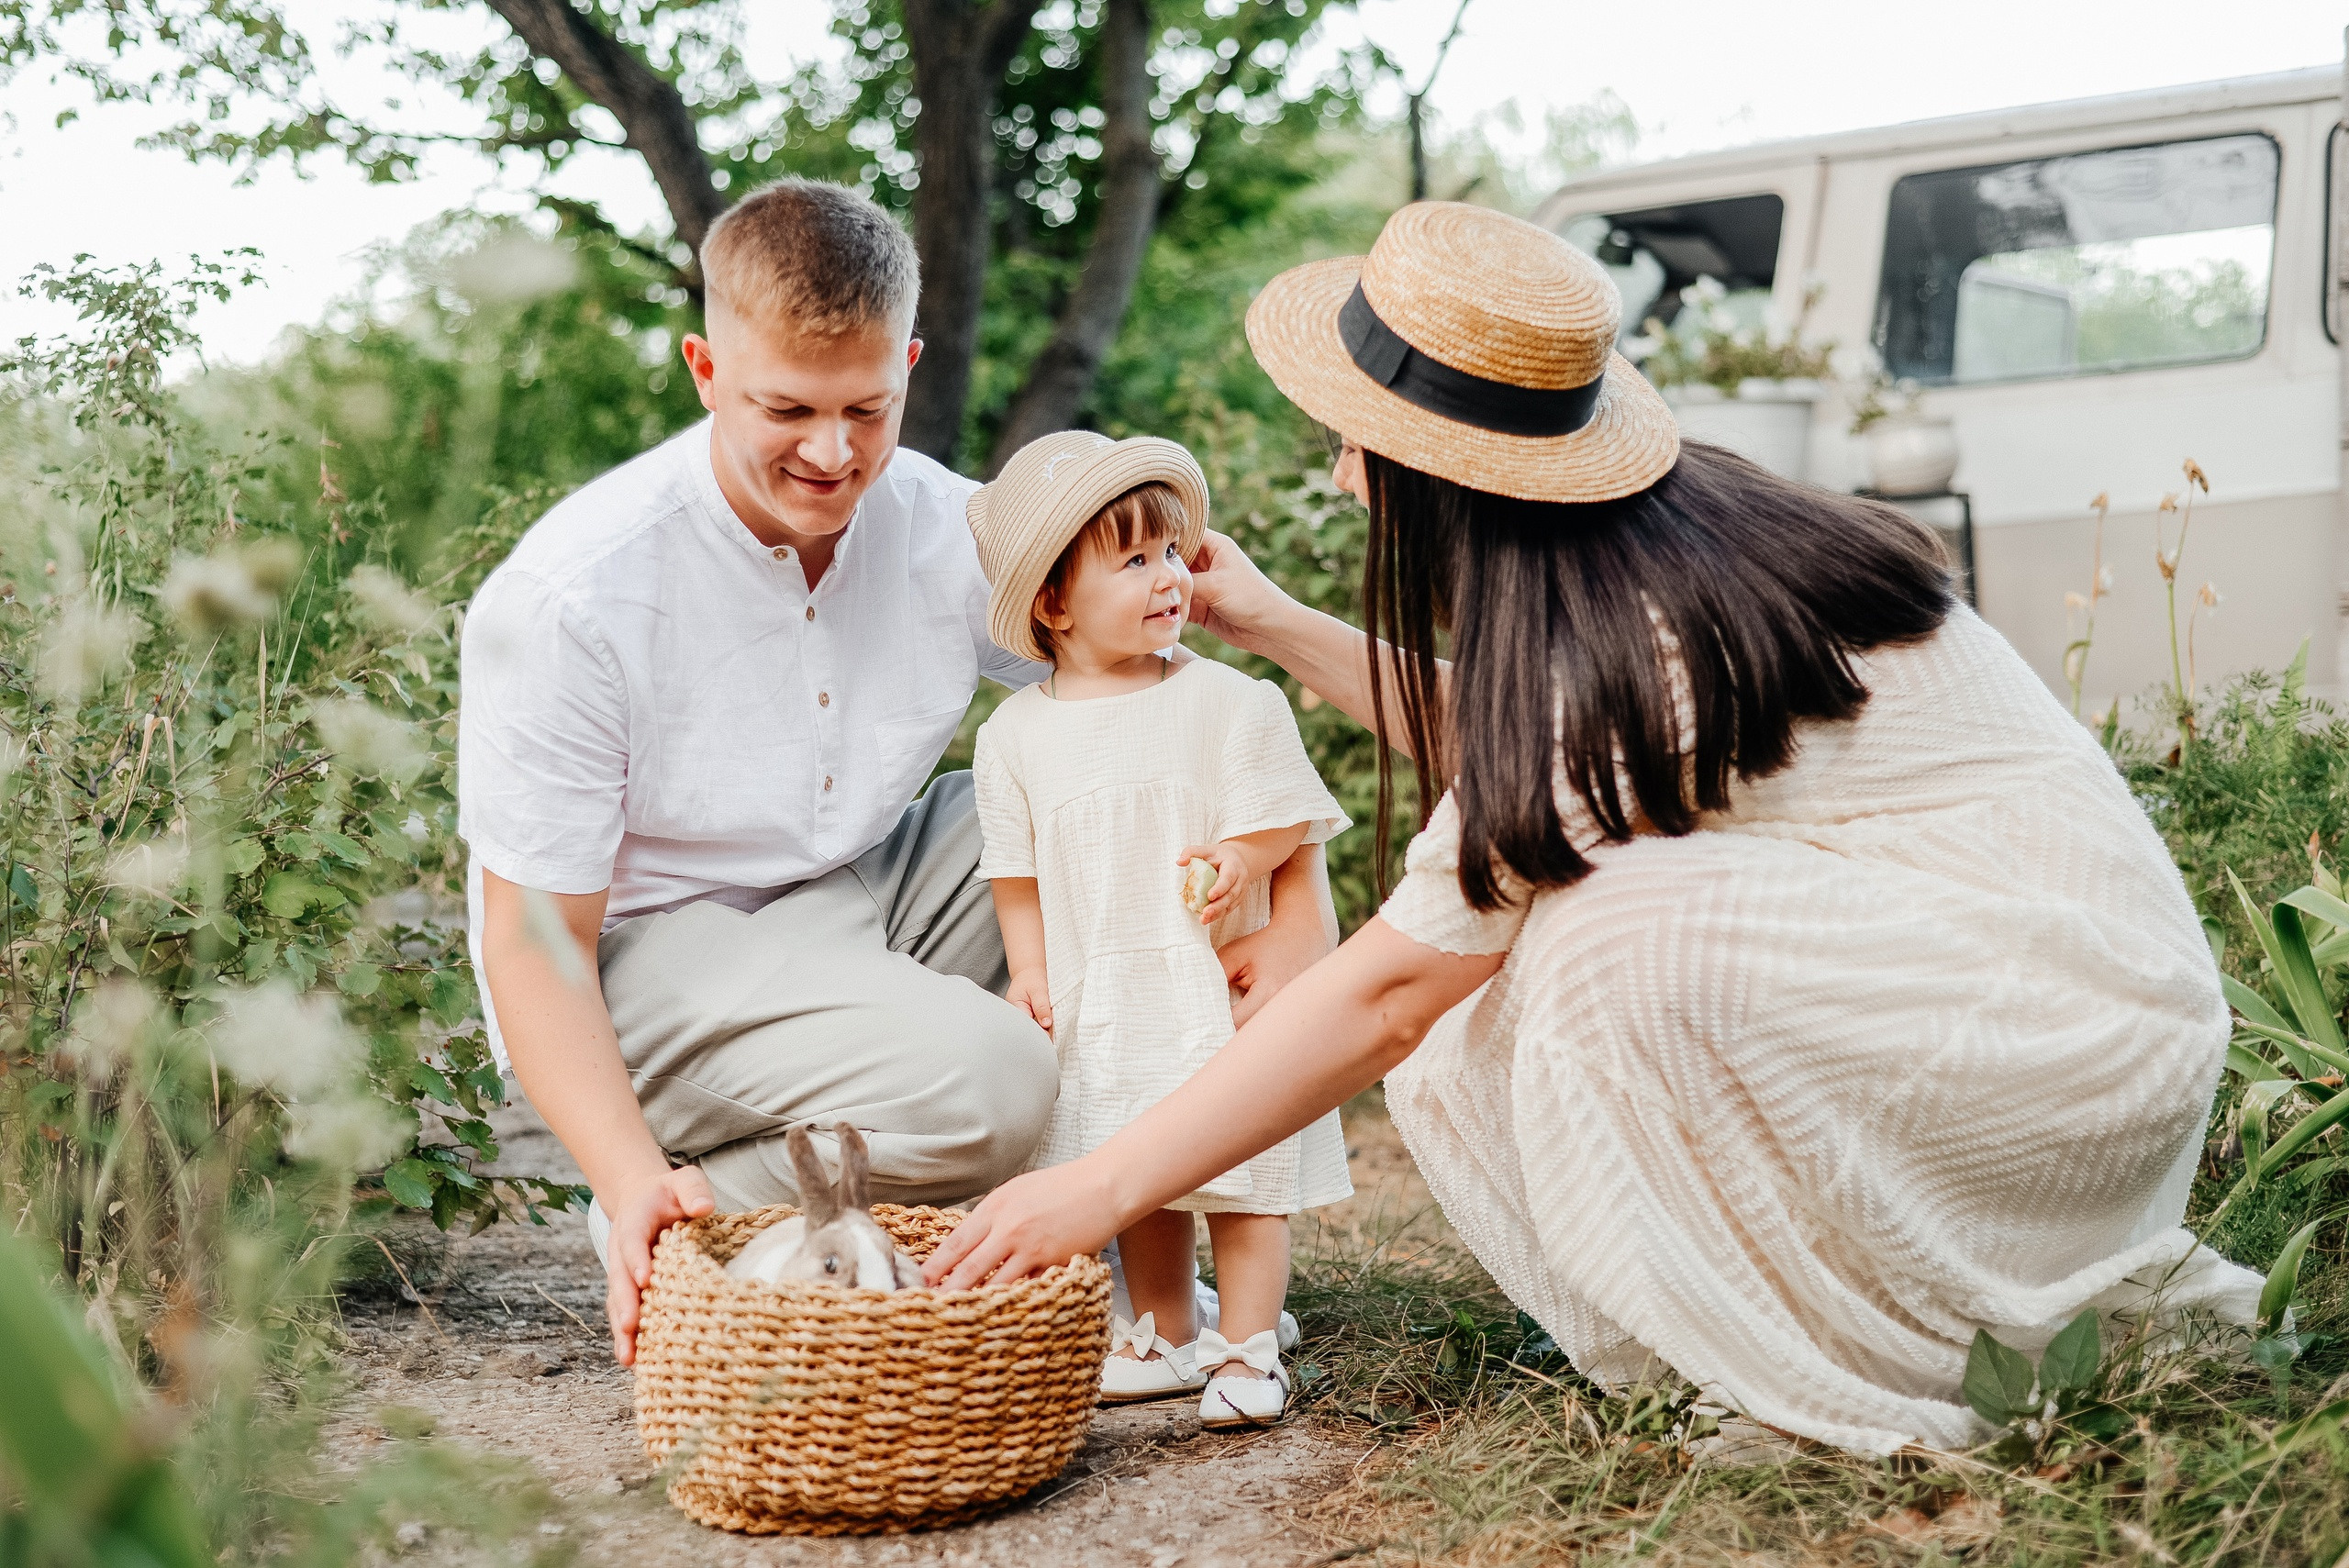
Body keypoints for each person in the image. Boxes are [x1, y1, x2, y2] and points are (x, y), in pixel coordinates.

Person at [923, 201, 2263, 1453]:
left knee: (1599, 943)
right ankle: (1754, 1312)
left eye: (1355, 439)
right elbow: (1531, 758)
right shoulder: (1654, 546)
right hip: (2035, 980)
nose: (1339, 470)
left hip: (2070, 1043)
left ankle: (1837, 1355)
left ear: (1440, 473)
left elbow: (1389, 989)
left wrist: (1098, 1186)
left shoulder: (1633, 636)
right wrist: (1269, 620)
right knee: (1553, 943)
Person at [455, 178, 1335, 1367]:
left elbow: (1171, 720)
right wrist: (620, 1172)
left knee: (1133, 812)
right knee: (999, 1083)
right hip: (650, 959)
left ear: (908, 366)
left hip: (870, 890)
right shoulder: (573, 595)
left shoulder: (945, 527)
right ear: (705, 369)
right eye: (787, 409)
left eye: (866, 409)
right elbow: (533, 945)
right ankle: (682, 1203)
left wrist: (1277, 898)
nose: (832, 454)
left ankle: (1157, 1268)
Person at [966, 432, 1352, 1427]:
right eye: (1134, 560)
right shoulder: (1014, 735)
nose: (1169, 576)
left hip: (1208, 978)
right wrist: (1030, 970)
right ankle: (1165, 1330)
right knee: (1134, 1157)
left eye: (1173, 552)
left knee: (1240, 1162)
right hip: (1106, 986)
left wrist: (1245, 856)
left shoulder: (1226, 699)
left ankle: (1249, 1345)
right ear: (1053, 603)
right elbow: (1015, 874)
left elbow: (1283, 812)